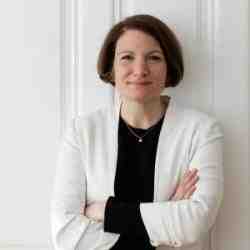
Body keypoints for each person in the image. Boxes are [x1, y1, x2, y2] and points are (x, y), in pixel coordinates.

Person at [51, 14, 223, 250]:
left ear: (169, 67)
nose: (140, 69)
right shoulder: (81, 133)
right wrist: (166, 217)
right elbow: (66, 233)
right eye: (127, 57)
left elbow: (195, 222)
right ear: (111, 68)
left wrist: (106, 212)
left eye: (153, 58)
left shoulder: (202, 131)